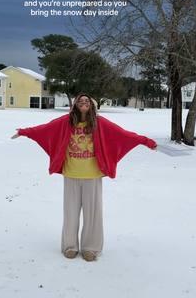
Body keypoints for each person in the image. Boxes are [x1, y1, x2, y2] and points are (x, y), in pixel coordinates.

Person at [11, 92, 157, 262]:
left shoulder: (99, 123)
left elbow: (123, 134)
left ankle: (91, 248)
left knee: (93, 214)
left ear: (92, 105)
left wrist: (146, 141)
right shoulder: (66, 122)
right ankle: (70, 246)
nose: (83, 102)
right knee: (70, 213)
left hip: (92, 176)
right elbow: (45, 129)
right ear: (75, 105)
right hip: (71, 174)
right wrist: (24, 132)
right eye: (80, 101)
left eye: (87, 101)